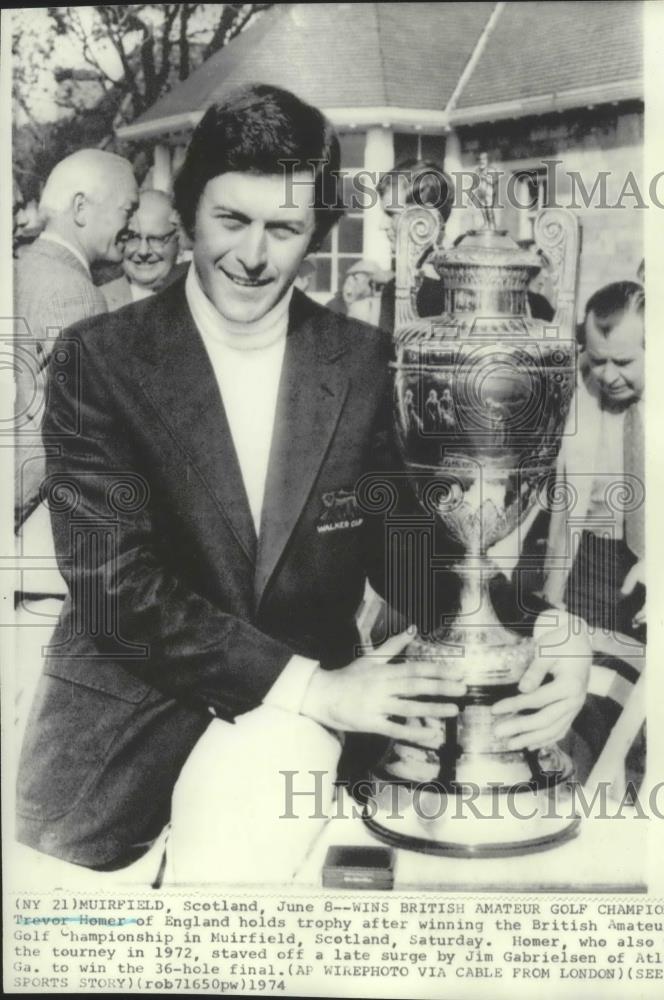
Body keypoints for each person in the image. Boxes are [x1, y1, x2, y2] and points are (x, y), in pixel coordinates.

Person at [17, 84, 589, 883]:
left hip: (295, 754)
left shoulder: (361, 362)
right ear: (187, 211)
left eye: (283, 228)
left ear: (318, 230)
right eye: (231, 220)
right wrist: (312, 688)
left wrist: (548, 632)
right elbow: (116, 587)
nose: (253, 255)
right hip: (117, 770)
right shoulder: (97, 359)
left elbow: (415, 559)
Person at [14, 149, 139, 530]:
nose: (132, 226)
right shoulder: (76, 295)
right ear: (81, 208)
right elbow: (67, 435)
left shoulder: (23, 269)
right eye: (127, 210)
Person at [541, 280, 645, 638]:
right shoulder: (577, 385)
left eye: (624, 362)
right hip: (592, 560)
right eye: (598, 360)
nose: (608, 376)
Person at [376, 159, 454, 334]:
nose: (382, 225)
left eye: (391, 214)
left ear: (426, 216)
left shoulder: (461, 286)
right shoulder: (395, 288)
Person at [101, 189, 183, 310]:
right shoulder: (99, 301)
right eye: (132, 238)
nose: (143, 251)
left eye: (156, 239)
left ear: (179, 241)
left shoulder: (198, 300)